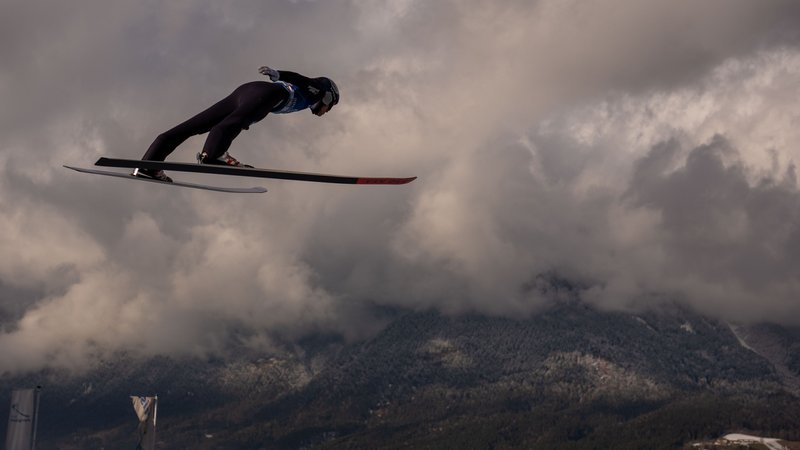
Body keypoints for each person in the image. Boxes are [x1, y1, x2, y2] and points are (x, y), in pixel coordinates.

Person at [133, 67, 340, 182]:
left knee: (194, 125)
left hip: (247, 91)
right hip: (266, 94)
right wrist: (279, 74)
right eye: (330, 107)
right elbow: (301, 79)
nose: (326, 112)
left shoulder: (309, 99)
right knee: (234, 123)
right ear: (329, 98)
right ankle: (213, 156)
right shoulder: (318, 90)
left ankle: (149, 164)